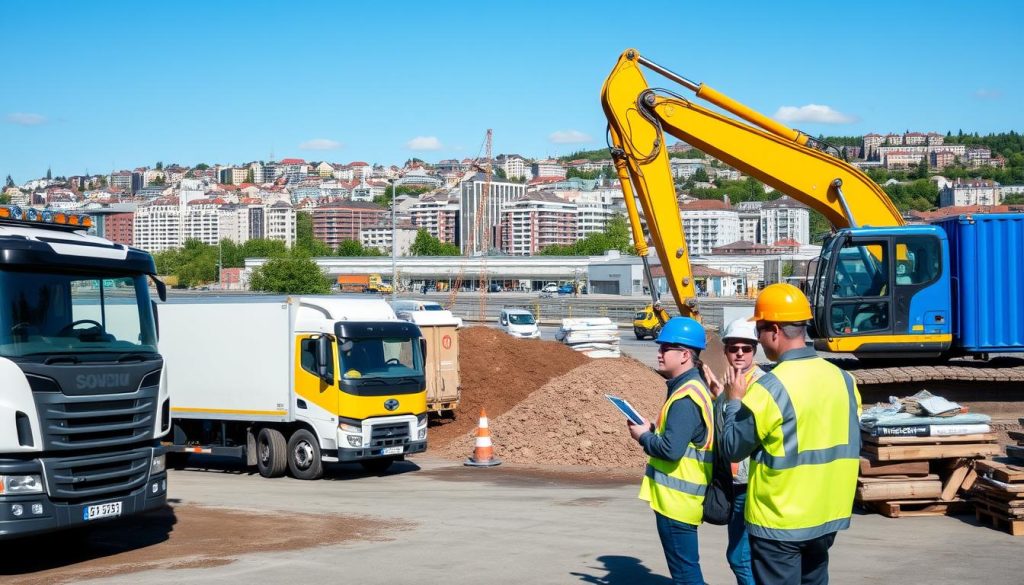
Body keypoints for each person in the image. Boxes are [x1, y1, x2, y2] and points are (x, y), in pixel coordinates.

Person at [719, 284, 861, 585]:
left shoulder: (770, 388)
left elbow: (732, 447)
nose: (757, 340)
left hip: (781, 520)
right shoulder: (844, 380)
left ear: (773, 330)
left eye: (758, 331)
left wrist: (733, 400)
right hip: (826, 515)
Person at [627, 316, 714, 585]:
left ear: (685, 354)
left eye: (666, 348)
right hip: (678, 503)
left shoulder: (686, 396)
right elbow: (681, 438)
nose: (659, 353)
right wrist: (653, 428)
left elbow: (671, 450)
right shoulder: (689, 388)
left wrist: (643, 436)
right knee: (685, 571)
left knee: (686, 575)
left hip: (677, 504)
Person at [703, 318, 763, 585]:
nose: (740, 352)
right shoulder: (730, 382)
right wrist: (720, 398)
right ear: (725, 350)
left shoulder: (762, 384)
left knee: (741, 557)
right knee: (744, 556)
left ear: (755, 350)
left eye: (746, 348)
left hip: (750, 483)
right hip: (733, 481)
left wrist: (730, 400)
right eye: (734, 347)